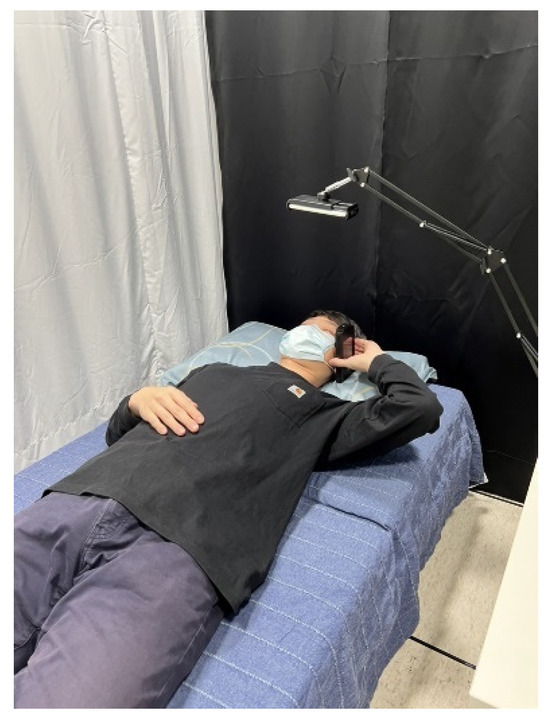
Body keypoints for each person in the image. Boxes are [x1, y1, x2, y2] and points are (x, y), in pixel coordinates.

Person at [14, 310, 443, 708]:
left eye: (324, 332)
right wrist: (135, 402)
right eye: (304, 326)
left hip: (177, 555)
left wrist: (375, 361)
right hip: (81, 501)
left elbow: (418, 407)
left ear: (342, 352)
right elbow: (118, 435)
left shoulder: (329, 417)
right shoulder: (212, 371)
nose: (305, 333)